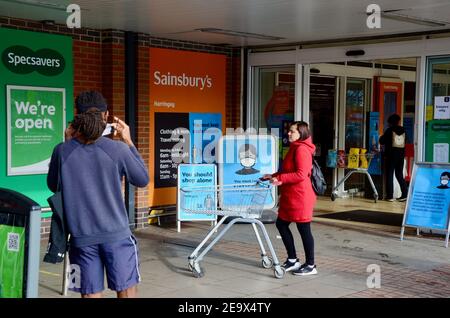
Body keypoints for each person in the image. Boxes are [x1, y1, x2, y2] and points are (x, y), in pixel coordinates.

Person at [47, 91, 149, 298]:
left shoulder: (62, 151)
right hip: (117, 236)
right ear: (106, 115)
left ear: (77, 117)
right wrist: (128, 141)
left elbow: (53, 185)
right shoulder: (118, 149)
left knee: (90, 294)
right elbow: (142, 179)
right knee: (126, 291)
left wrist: (67, 142)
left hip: (81, 238)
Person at [262, 121, 317, 276]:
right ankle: (292, 259)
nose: (289, 133)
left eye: (292, 131)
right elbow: (288, 170)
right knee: (281, 224)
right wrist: (272, 176)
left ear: (301, 133)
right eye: (289, 131)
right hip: (291, 196)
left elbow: (301, 174)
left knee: (304, 229)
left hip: (301, 197)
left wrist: (281, 179)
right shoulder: (294, 148)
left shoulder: (301, 150)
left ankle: (311, 265)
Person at [379, 113, 408, 202]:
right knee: (399, 174)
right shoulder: (403, 130)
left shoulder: (389, 130)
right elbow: (406, 141)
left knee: (390, 174)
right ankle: (404, 194)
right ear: (398, 121)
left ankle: (390, 196)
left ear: (390, 123)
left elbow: (382, 141)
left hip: (391, 156)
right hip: (401, 155)